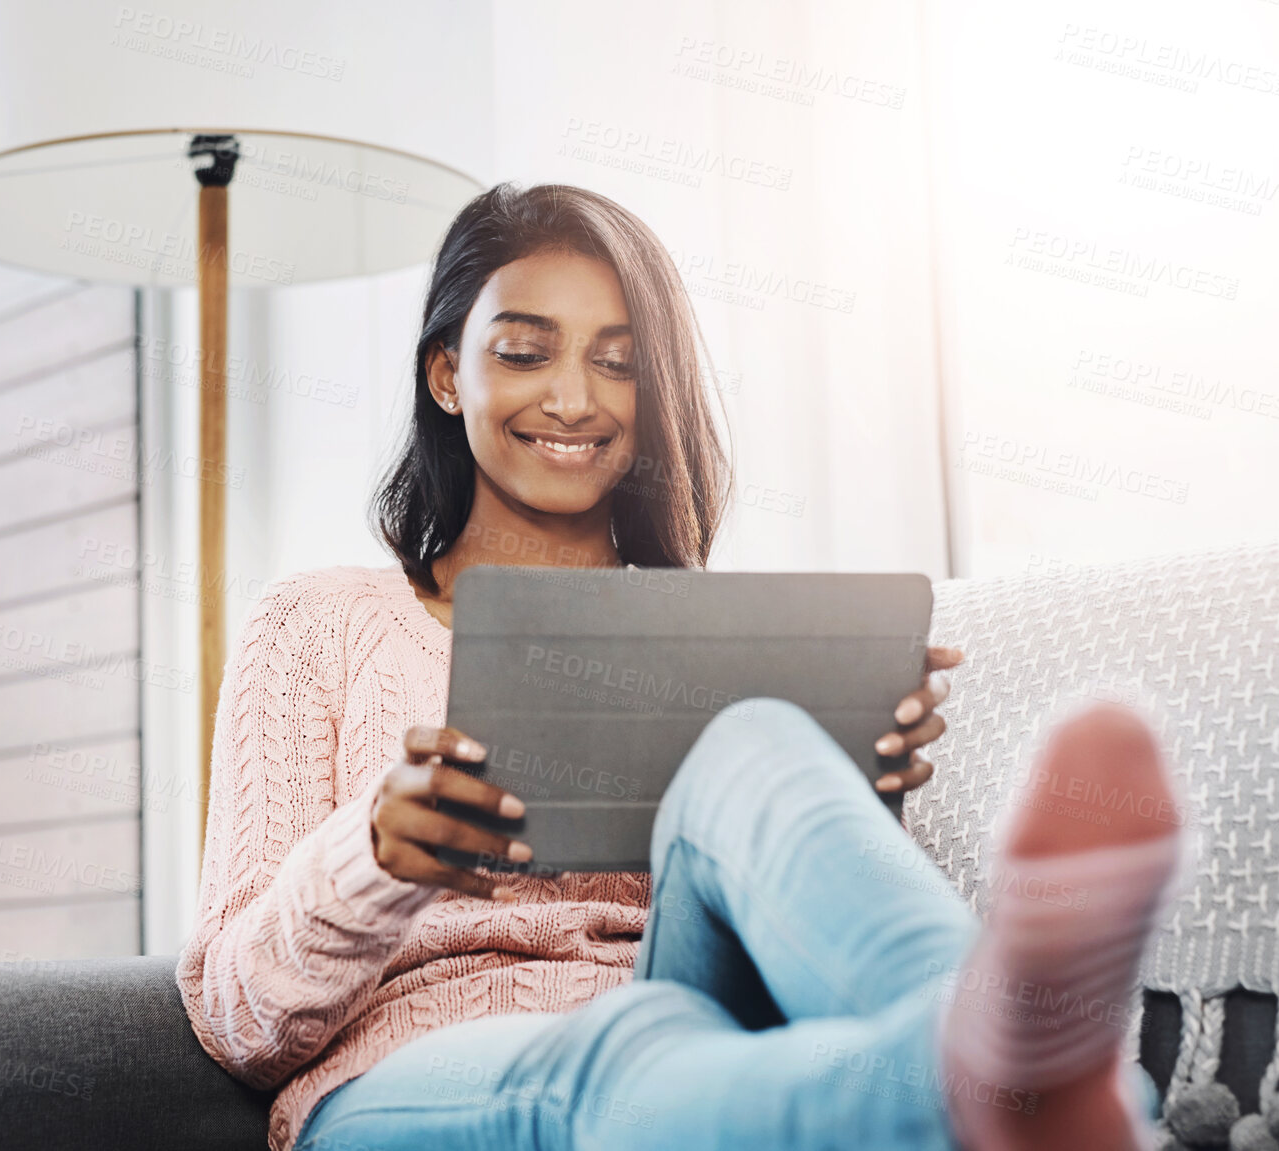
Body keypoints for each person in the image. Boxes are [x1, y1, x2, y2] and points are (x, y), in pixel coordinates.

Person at [177, 182, 1184, 1151]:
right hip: (405, 1078)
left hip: (693, 1043)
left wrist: (851, 773)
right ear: (448, 373)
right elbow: (236, 1017)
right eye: (525, 352)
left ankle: (1008, 1055)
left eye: (618, 363)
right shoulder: (313, 622)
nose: (573, 399)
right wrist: (374, 857)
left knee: (755, 738)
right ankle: (997, 1079)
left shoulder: (706, 637)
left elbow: (760, 954)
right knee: (616, 1051)